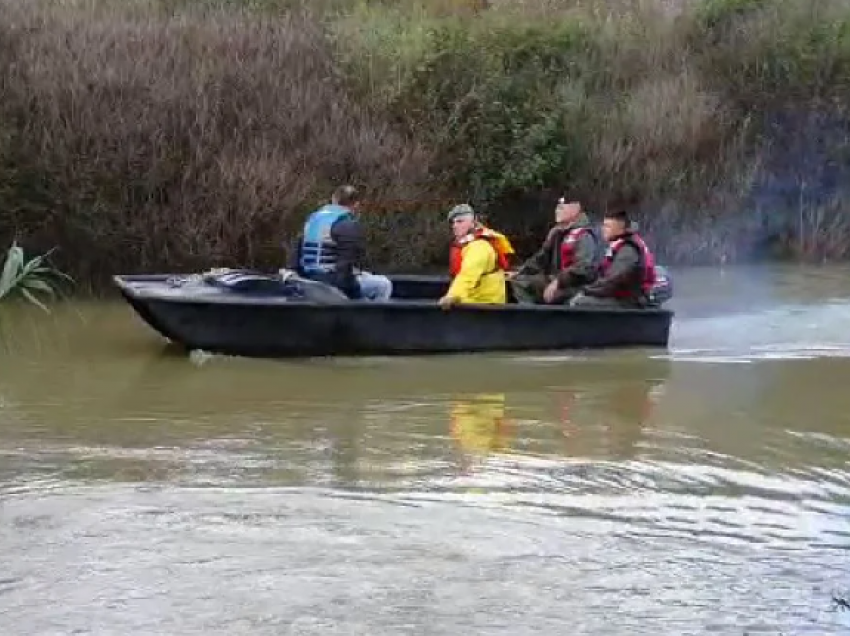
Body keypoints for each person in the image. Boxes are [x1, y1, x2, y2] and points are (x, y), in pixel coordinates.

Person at [287, 185, 392, 301]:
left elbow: (295, 256)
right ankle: (372, 317)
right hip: (330, 282)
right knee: (383, 284)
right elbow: (344, 270)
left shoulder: (312, 219)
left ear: (333, 199)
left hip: (308, 279)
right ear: (356, 204)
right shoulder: (347, 224)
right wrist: (356, 296)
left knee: (365, 277)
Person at [509, 198, 603, 305]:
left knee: (523, 285)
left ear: (576, 209)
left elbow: (583, 268)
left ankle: (530, 317)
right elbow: (540, 258)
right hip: (556, 280)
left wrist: (558, 281)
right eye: (557, 207)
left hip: (576, 285)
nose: (557, 211)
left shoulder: (584, 235)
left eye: (562, 207)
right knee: (519, 281)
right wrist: (520, 271)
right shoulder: (557, 232)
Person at [570, 209, 658, 308]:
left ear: (620, 229)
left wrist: (586, 291)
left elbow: (613, 281)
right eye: (603, 225)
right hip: (619, 296)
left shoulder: (627, 250)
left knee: (579, 302)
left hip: (630, 301)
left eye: (608, 226)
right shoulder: (618, 245)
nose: (603, 229)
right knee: (572, 294)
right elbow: (602, 275)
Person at [438, 204, 515, 308]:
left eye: (460, 221)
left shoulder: (479, 246)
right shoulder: (469, 243)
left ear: (473, 223)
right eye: (453, 222)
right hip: (476, 299)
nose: (454, 226)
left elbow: (468, 275)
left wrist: (451, 296)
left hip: (483, 304)